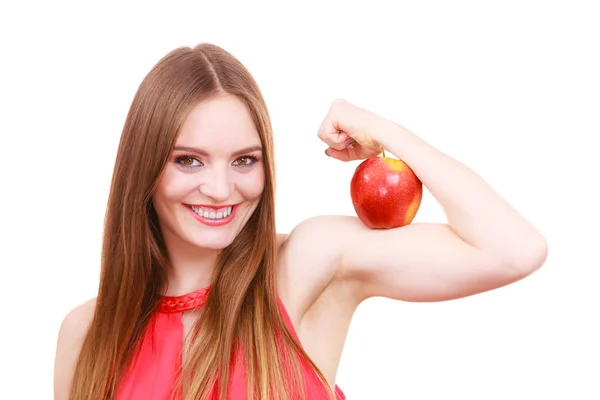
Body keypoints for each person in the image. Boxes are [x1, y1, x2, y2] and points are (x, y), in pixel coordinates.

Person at [53, 43, 548, 400]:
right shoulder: (86, 334)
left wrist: (383, 130)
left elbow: (513, 250)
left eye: (245, 160)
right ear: (145, 167)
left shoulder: (305, 266)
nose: (222, 190)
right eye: (189, 160)